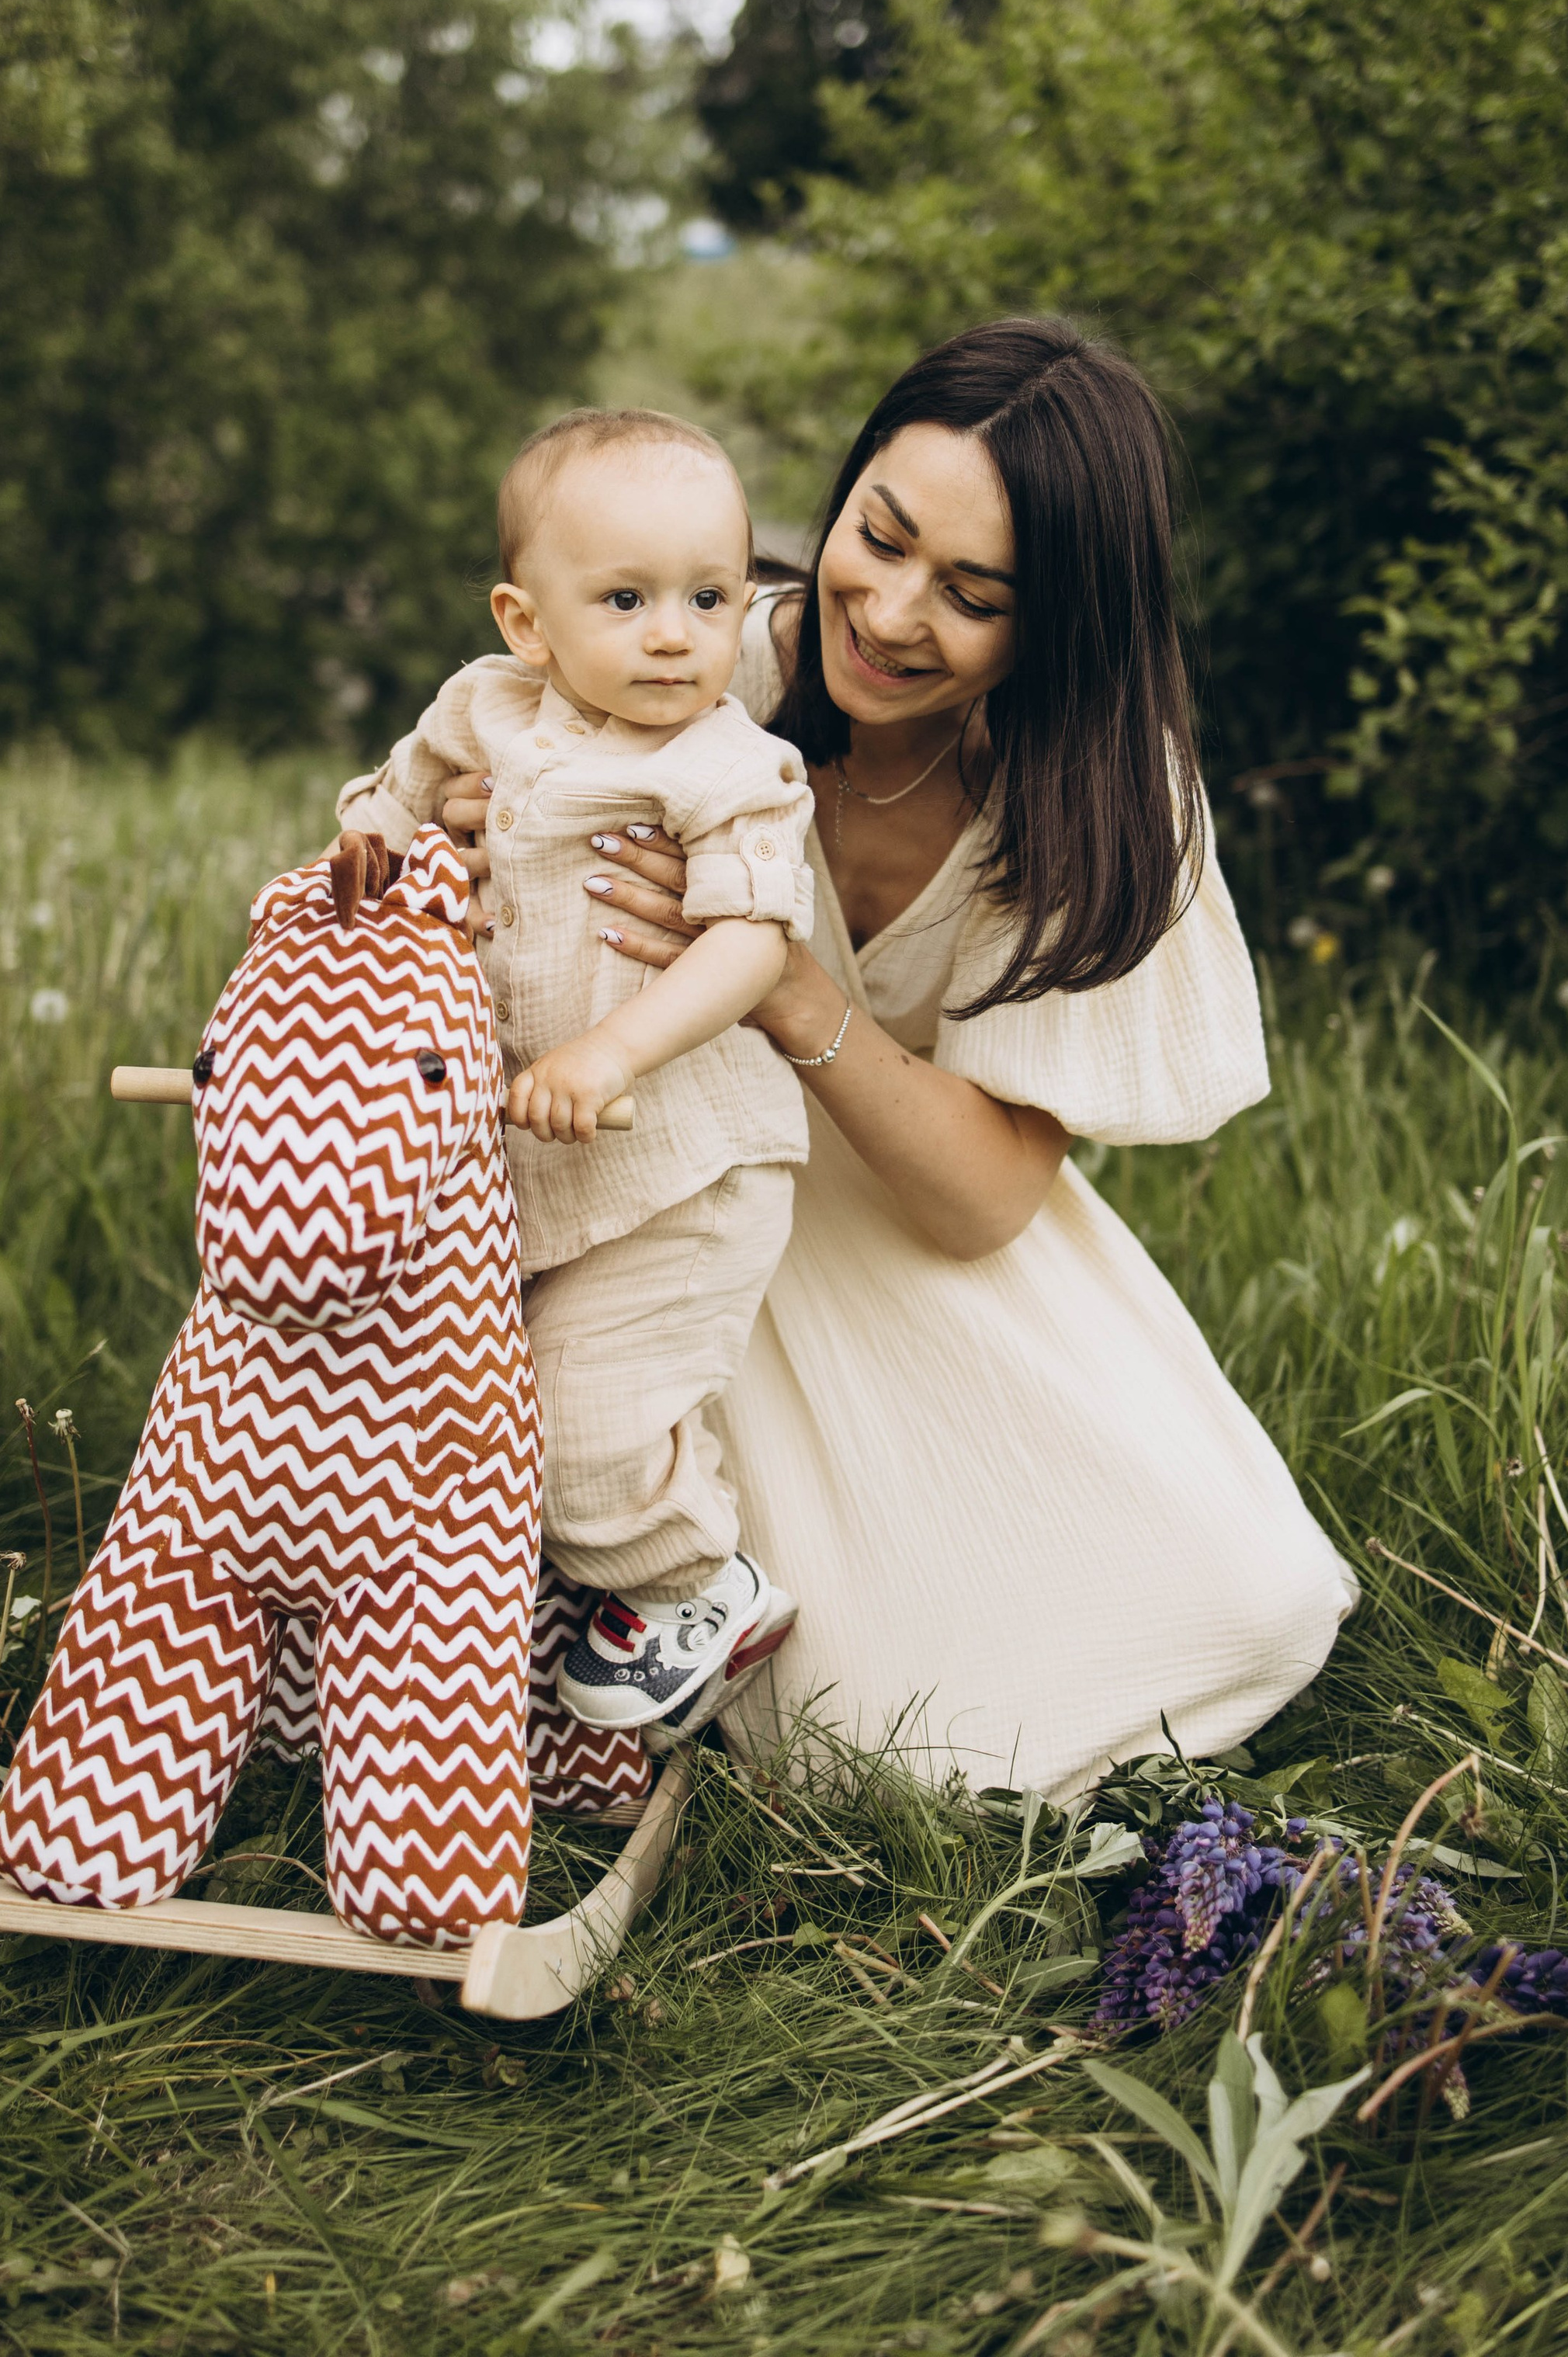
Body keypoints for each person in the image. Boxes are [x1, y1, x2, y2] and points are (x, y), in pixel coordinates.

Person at [443, 321, 1357, 1803]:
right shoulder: (697, 652)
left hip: (907, 1200)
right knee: (856, 1725)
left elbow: (983, 1201)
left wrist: (785, 984)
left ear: (1062, 624)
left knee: (1228, 1603)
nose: (891, 610)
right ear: (850, 481)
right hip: (653, 1166)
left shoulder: (1101, 797)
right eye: (880, 533)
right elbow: (472, 775)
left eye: (975, 595)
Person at [334, 408, 811, 1745]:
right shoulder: (482, 708)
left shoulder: (729, 762)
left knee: (581, 1422)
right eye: (627, 599)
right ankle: (497, 1648)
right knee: (479, 1403)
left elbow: (753, 942)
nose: (676, 634)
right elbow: (391, 799)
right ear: (526, 622)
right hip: (528, 1159)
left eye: (710, 598)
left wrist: (612, 1046)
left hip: (686, 1161)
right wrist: (371, 845)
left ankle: (701, 1584)